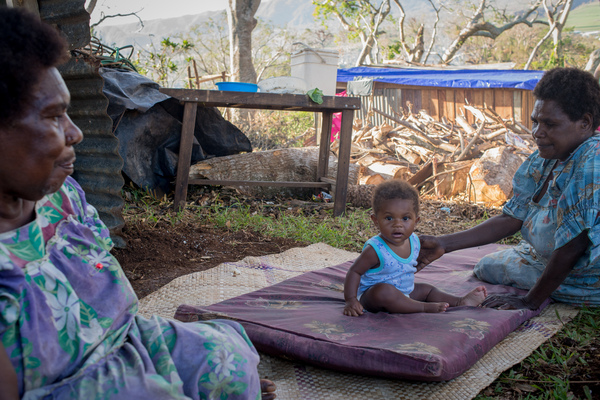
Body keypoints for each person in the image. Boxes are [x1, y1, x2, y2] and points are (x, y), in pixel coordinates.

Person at [0, 7, 275, 400]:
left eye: (70, 113)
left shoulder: (62, 199)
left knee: (227, 355)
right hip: (70, 387)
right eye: (54, 117)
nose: (75, 133)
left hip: (127, 340)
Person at [418, 67, 600, 311]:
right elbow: (511, 218)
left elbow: (574, 245)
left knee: (493, 267)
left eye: (550, 124)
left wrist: (530, 301)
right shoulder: (544, 159)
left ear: (585, 123)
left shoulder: (593, 157)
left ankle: (550, 285)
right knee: (488, 266)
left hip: (587, 276)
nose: (537, 132)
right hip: (549, 259)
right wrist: (443, 243)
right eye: (535, 121)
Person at [343, 180, 487, 316]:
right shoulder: (375, 249)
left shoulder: (414, 241)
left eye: (405, 218)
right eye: (389, 218)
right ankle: (422, 307)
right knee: (384, 291)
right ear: (375, 220)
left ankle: (459, 301)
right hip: (373, 297)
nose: (397, 224)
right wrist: (351, 300)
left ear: (416, 221)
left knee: (426, 289)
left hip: (405, 292)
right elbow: (354, 272)